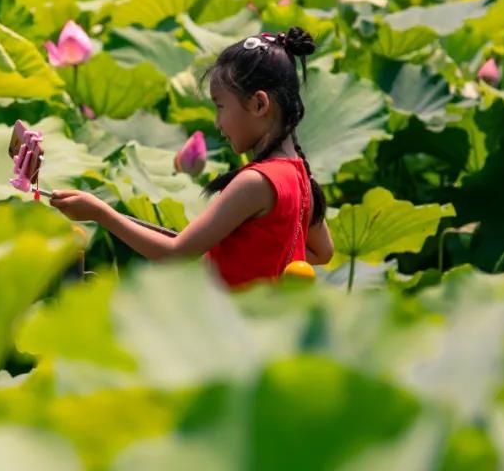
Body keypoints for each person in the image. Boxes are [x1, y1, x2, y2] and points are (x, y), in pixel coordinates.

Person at [49, 26, 334, 289]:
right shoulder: (299, 176)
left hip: (225, 327)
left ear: (259, 104)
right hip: (265, 326)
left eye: (221, 106)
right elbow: (322, 252)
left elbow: (177, 254)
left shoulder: (255, 182)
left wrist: (101, 214)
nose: (218, 122)